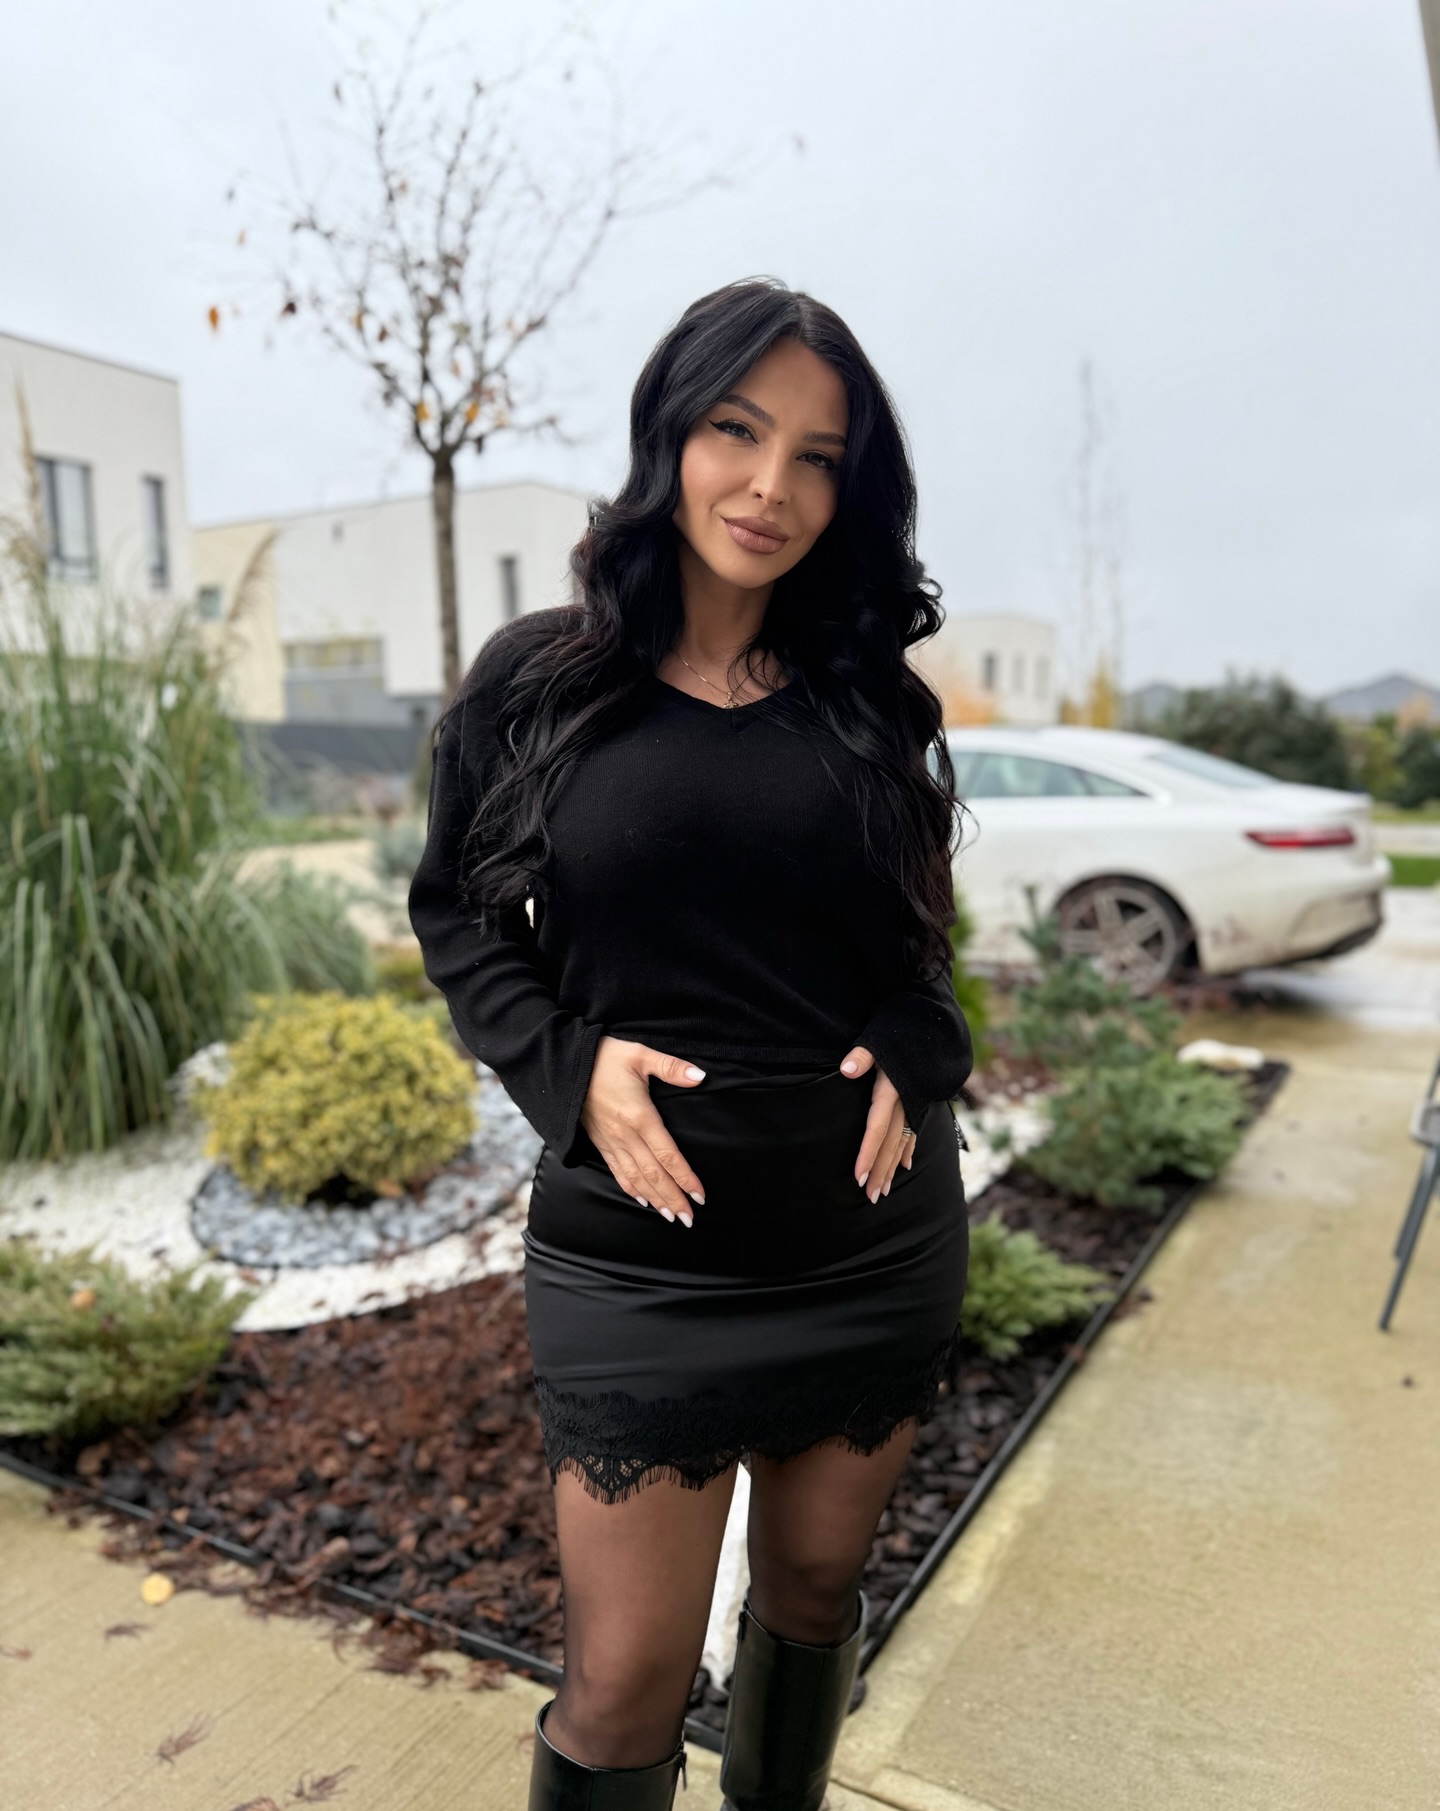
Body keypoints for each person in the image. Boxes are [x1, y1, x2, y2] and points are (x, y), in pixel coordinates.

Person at [408, 277, 972, 1811]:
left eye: (818, 457)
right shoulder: (540, 681)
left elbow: (918, 962)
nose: (772, 484)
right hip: (636, 1262)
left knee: (812, 1596)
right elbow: (455, 911)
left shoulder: (867, 702)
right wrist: (562, 1062)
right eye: (738, 430)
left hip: (867, 1243)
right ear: (670, 431)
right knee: (625, 1676)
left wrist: (919, 1039)